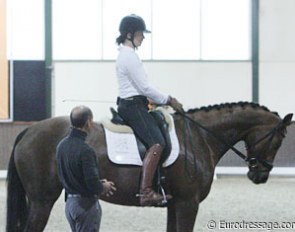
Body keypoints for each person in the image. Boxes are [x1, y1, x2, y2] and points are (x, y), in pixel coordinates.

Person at [115, 14, 184, 206]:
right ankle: (146, 191)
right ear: (129, 34)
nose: (143, 37)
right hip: (132, 105)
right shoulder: (129, 57)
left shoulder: (128, 55)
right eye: (140, 34)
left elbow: (143, 90)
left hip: (137, 102)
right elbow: (145, 88)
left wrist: (157, 102)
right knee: (157, 143)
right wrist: (168, 99)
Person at [56, 105, 116, 232]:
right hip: (85, 205)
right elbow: (92, 183)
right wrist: (103, 186)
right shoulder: (86, 150)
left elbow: (69, 175)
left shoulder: (61, 145)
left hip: (70, 204)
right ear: (88, 123)